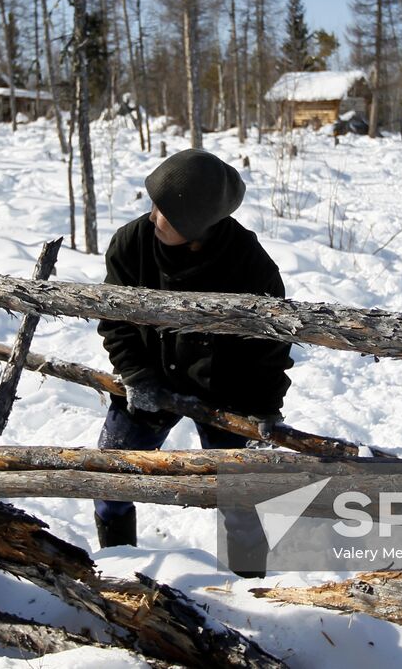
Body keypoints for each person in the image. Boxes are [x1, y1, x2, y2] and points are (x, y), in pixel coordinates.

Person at [94, 148, 293, 576]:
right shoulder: (132, 245)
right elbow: (116, 320)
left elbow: (269, 350)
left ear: (195, 222)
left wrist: (263, 409)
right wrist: (136, 375)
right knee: (110, 479)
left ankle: (249, 588)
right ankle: (116, 569)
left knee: (241, 502)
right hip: (152, 378)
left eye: (163, 210)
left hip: (228, 392)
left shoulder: (250, 266)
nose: (152, 217)